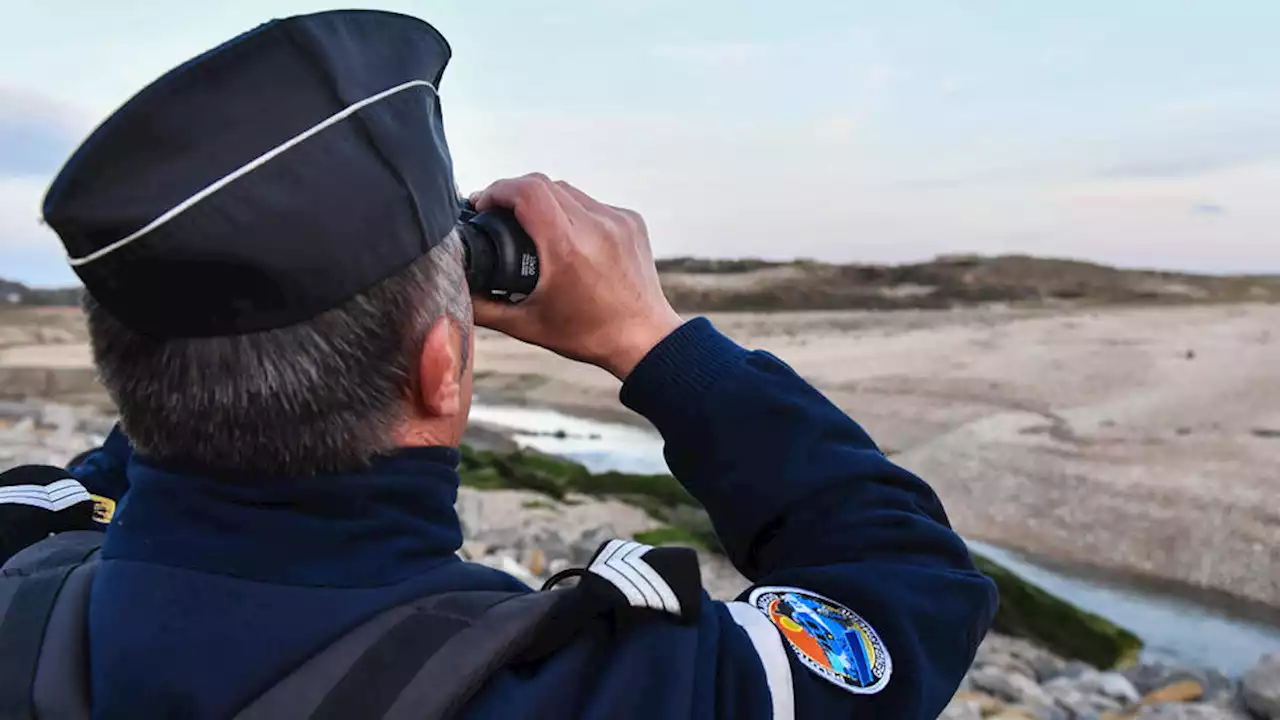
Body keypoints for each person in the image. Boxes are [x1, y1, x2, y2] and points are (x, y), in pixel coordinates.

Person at [31, 10, 995, 719]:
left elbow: (160, 434)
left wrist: (222, 303)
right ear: (443, 369)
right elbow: (905, 584)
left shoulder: (20, 566)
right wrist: (655, 342)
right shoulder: (583, 692)